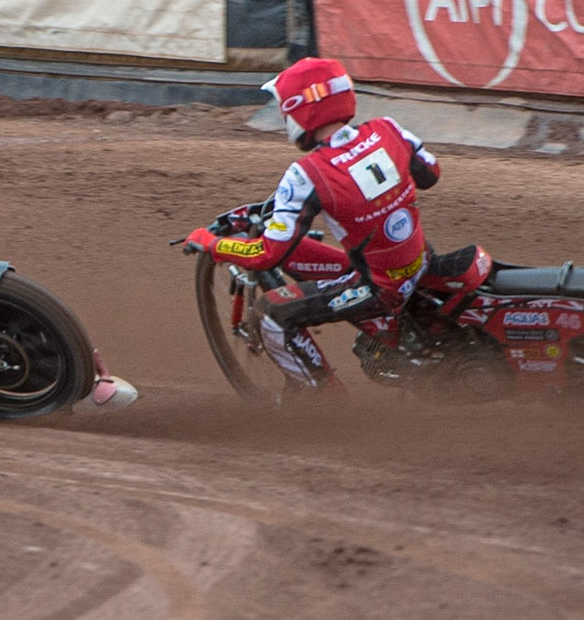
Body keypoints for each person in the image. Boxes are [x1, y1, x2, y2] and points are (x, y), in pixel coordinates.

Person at [184, 57, 441, 391]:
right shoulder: (389, 129)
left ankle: (323, 403)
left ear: (300, 110)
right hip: (420, 260)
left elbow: (266, 254)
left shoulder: (306, 174)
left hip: (380, 289)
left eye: (284, 109)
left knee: (271, 313)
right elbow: (430, 174)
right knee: (335, 255)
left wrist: (212, 243)